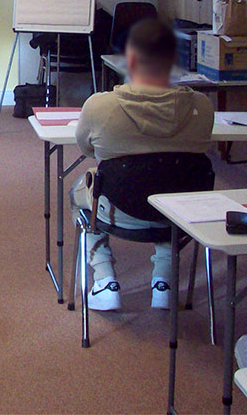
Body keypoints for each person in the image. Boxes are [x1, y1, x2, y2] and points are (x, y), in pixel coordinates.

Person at [71, 17, 213, 311]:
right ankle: (164, 282)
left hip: (119, 211)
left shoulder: (99, 106)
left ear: (130, 60)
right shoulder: (202, 106)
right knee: (171, 185)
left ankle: (104, 279)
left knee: (81, 190)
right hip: (179, 215)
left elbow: (86, 148)